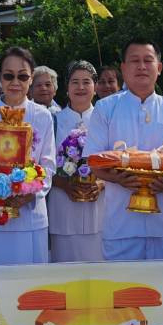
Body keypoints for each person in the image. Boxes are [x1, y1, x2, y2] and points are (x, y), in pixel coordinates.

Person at [84, 40, 163, 260]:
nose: (142, 66)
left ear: (159, 68)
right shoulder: (105, 109)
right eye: (134, 60)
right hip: (121, 225)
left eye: (148, 60)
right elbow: (93, 160)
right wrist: (120, 179)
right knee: (122, 290)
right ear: (123, 68)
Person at [0, 45, 56, 265]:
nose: (15, 82)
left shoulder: (43, 116)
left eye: (22, 76)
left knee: (28, 288)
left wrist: (29, 192)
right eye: (9, 76)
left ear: (31, 78)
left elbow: (48, 166)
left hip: (29, 218)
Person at [49, 60, 104, 262]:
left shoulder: (106, 119)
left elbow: (117, 162)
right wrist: (63, 183)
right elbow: (42, 165)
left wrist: (101, 182)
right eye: (75, 82)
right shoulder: (52, 120)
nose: (81, 87)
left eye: (86, 82)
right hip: (63, 210)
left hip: (98, 212)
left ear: (95, 87)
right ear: (67, 87)